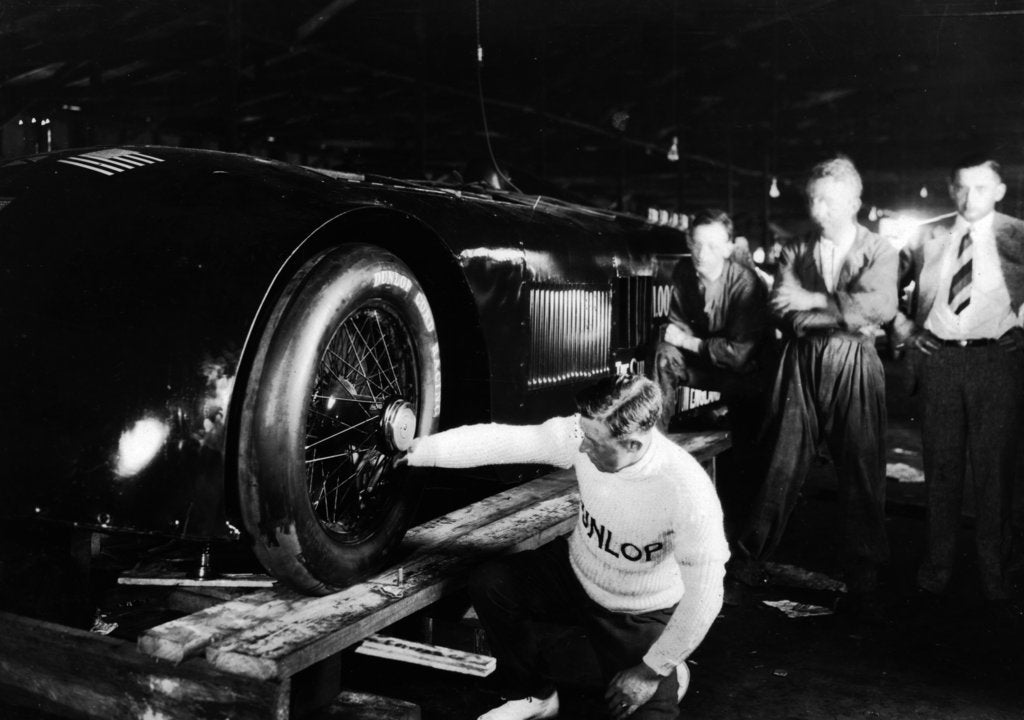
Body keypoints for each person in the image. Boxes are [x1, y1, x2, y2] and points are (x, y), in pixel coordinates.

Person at [405, 374, 729, 720]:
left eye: (593, 441)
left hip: (639, 610)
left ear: (633, 444)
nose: (582, 447)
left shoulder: (685, 488)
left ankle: (668, 669)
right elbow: (504, 440)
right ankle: (533, 695)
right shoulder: (584, 434)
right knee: (492, 583)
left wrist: (651, 669)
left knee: (647, 706)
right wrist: (418, 451)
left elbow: (706, 595)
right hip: (575, 573)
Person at [737, 156, 897, 609]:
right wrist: (840, 312)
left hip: (855, 361)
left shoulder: (879, 250)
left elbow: (880, 305)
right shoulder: (794, 249)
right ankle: (752, 554)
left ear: (854, 202)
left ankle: (865, 565)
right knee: (779, 460)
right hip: (802, 358)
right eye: (813, 200)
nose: (818, 210)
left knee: (862, 464)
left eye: (828, 201)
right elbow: (780, 308)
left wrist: (813, 301)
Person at [895, 154, 1024, 608]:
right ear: (951, 190)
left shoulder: (1019, 235)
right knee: (942, 472)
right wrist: (906, 331)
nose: (971, 198)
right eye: (963, 188)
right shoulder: (928, 235)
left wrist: (1022, 332)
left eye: (982, 188)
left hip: (996, 365)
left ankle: (997, 575)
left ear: (1000, 190)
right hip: (941, 364)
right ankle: (936, 571)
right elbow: (883, 284)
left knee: (995, 477)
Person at [650, 209, 774, 543]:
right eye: (697, 243)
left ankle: (741, 534)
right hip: (705, 367)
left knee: (747, 462)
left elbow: (738, 355)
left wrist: (690, 341)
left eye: (712, 245)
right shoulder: (683, 272)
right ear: (689, 243)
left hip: (744, 377)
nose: (703, 254)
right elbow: (676, 327)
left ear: (728, 248)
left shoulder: (745, 283)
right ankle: (655, 456)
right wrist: (684, 341)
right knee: (663, 355)